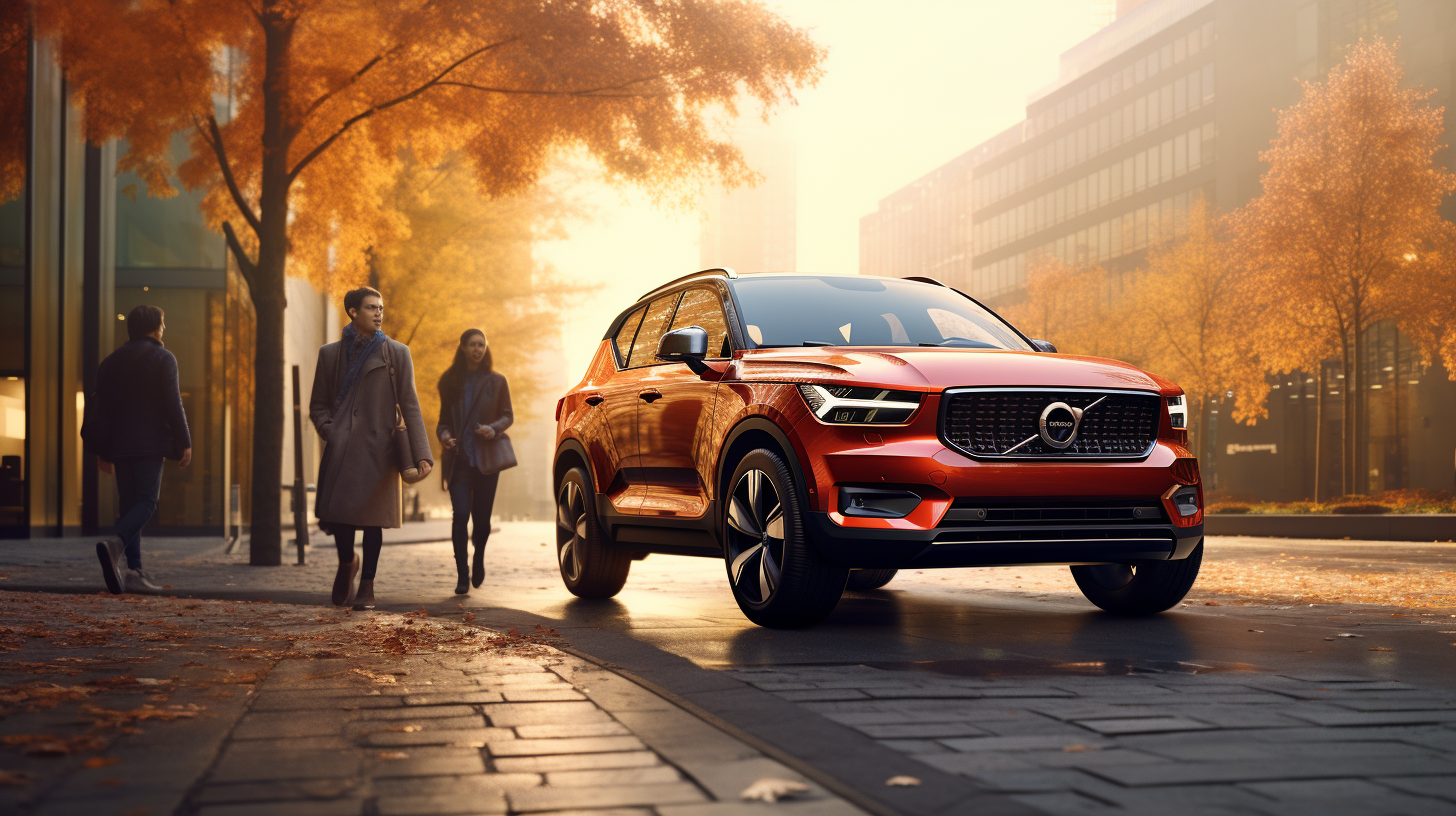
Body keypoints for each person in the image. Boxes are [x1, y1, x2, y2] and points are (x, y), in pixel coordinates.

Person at [309, 286, 432, 610]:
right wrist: (330, 431)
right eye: (370, 307)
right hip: (342, 449)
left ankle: (367, 587)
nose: (378, 313)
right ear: (353, 312)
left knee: (374, 521)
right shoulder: (331, 354)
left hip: (380, 450)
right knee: (341, 520)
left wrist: (422, 452)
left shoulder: (396, 353)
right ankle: (348, 562)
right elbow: (318, 405)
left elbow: (410, 404)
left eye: (380, 307)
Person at [84, 305, 192, 594]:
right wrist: (185, 441)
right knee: (147, 502)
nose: (164, 330)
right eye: (163, 324)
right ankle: (116, 545)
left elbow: (101, 410)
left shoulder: (109, 362)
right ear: (155, 327)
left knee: (130, 504)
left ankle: (134, 571)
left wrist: (102, 451)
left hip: (119, 444)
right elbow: (173, 402)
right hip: (148, 443)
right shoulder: (162, 358)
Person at [436, 329, 515, 594]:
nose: (477, 349)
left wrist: (493, 429)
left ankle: (478, 555)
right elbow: (443, 422)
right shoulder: (449, 381)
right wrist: (445, 436)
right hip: (459, 461)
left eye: (481, 345)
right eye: (472, 345)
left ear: (485, 348)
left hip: (486, 461)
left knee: (481, 521)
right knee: (460, 516)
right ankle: (462, 575)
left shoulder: (497, 381)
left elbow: (507, 415)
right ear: (463, 347)